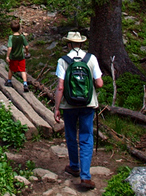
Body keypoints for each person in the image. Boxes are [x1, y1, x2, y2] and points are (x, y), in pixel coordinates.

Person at [53, 31, 104, 191]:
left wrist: (56, 108)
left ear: (68, 44)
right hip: (88, 104)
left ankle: (74, 166)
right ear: (81, 44)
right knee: (86, 137)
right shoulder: (91, 59)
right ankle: (85, 177)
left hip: (69, 105)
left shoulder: (63, 61)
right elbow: (100, 83)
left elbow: (60, 86)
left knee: (70, 135)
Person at [5, 19, 29, 92]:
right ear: (19, 28)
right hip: (21, 56)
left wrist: (7, 56)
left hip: (13, 57)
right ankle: (25, 83)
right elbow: (27, 46)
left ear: (11, 29)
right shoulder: (22, 37)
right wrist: (27, 52)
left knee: (11, 69)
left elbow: (10, 47)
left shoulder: (11, 37)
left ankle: (9, 81)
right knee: (23, 70)